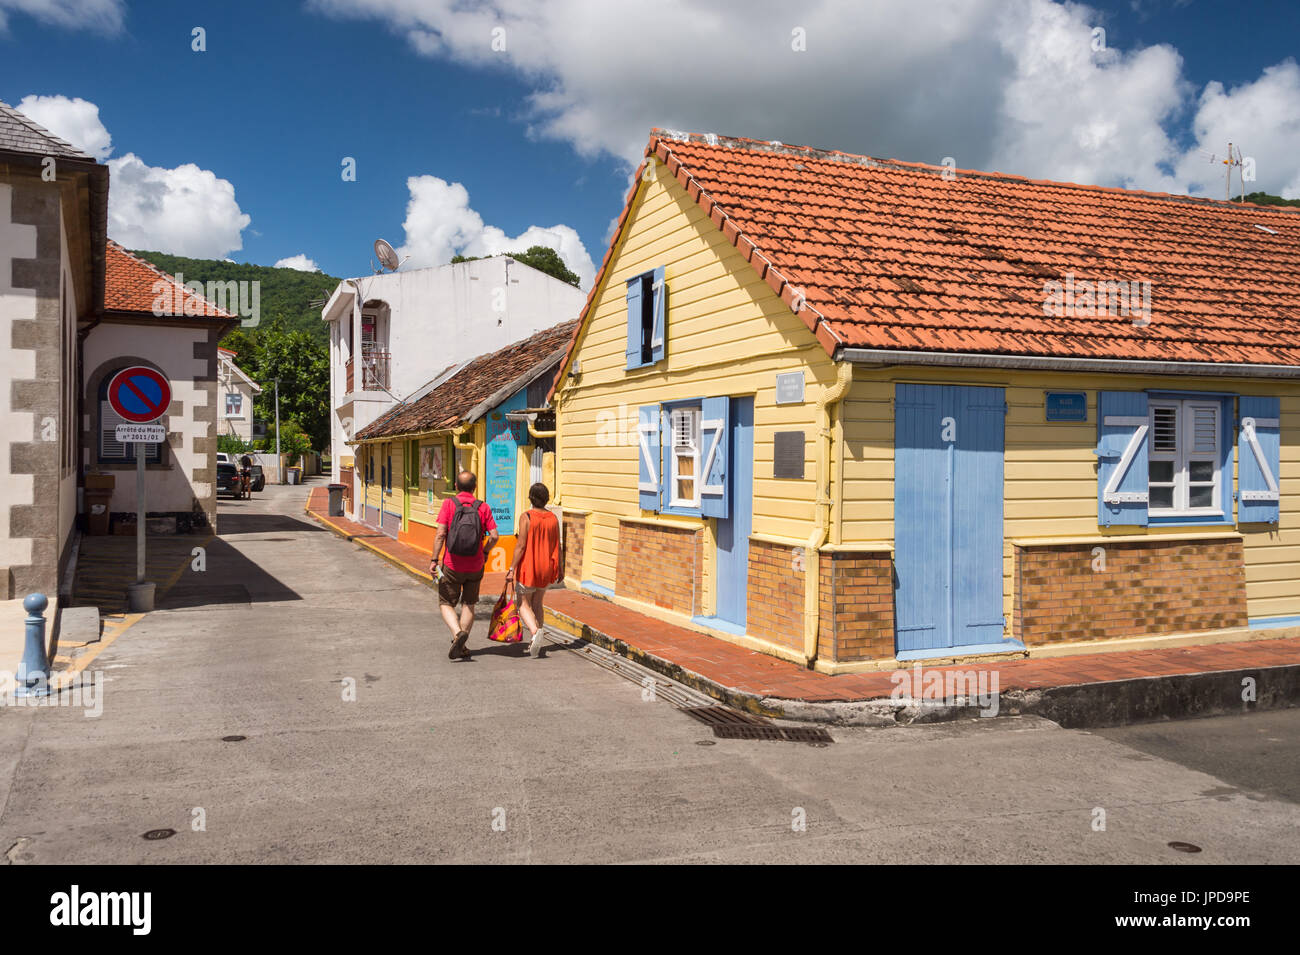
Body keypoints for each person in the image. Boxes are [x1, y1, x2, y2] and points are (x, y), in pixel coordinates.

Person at [430, 470, 498, 660]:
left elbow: (440, 534)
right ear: (475, 487)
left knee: (445, 603)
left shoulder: (449, 504)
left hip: (452, 564)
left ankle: (457, 634)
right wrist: (485, 552)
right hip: (475, 565)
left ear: (456, 487)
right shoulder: (483, 507)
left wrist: (434, 560)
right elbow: (494, 536)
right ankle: (461, 645)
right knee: (469, 603)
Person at [505, 482, 560, 658]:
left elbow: (520, 546)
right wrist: (560, 569)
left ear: (530, 498)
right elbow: (557, 546)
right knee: (537, 603)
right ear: (546, 499)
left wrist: (512, 567)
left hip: (529, 566)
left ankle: (535, 632)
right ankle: (535, 640)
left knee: (522, 603)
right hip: (546, 567)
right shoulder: (553, 518)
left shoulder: (526, 516)